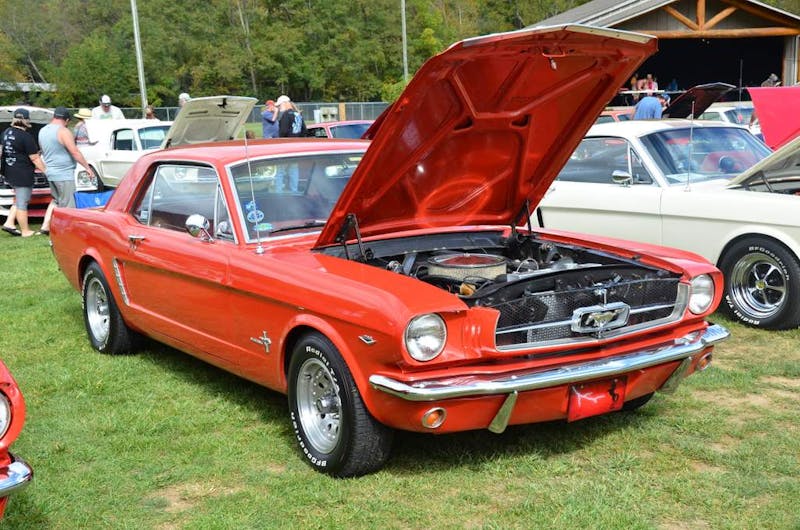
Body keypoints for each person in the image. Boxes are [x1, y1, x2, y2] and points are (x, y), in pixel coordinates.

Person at [38, 107, 97, 235]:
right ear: (66, 120)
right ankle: (66, 233)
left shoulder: (42, 131)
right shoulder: (63, 131)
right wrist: (87, 168)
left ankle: (46, 227)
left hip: (50, 172)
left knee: (56, 201)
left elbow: (43, 151)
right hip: (63, 174)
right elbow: (74, 152)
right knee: (68, 206)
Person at [1, 108, 46, 237]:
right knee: (22, 202)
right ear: (26, 120)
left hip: (10, 171)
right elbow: (35, 158)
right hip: (22, 173)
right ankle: (25, 230)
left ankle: (9, 223)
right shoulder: (26, 137)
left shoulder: (6, 132)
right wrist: (46, 172)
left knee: (18, 200)